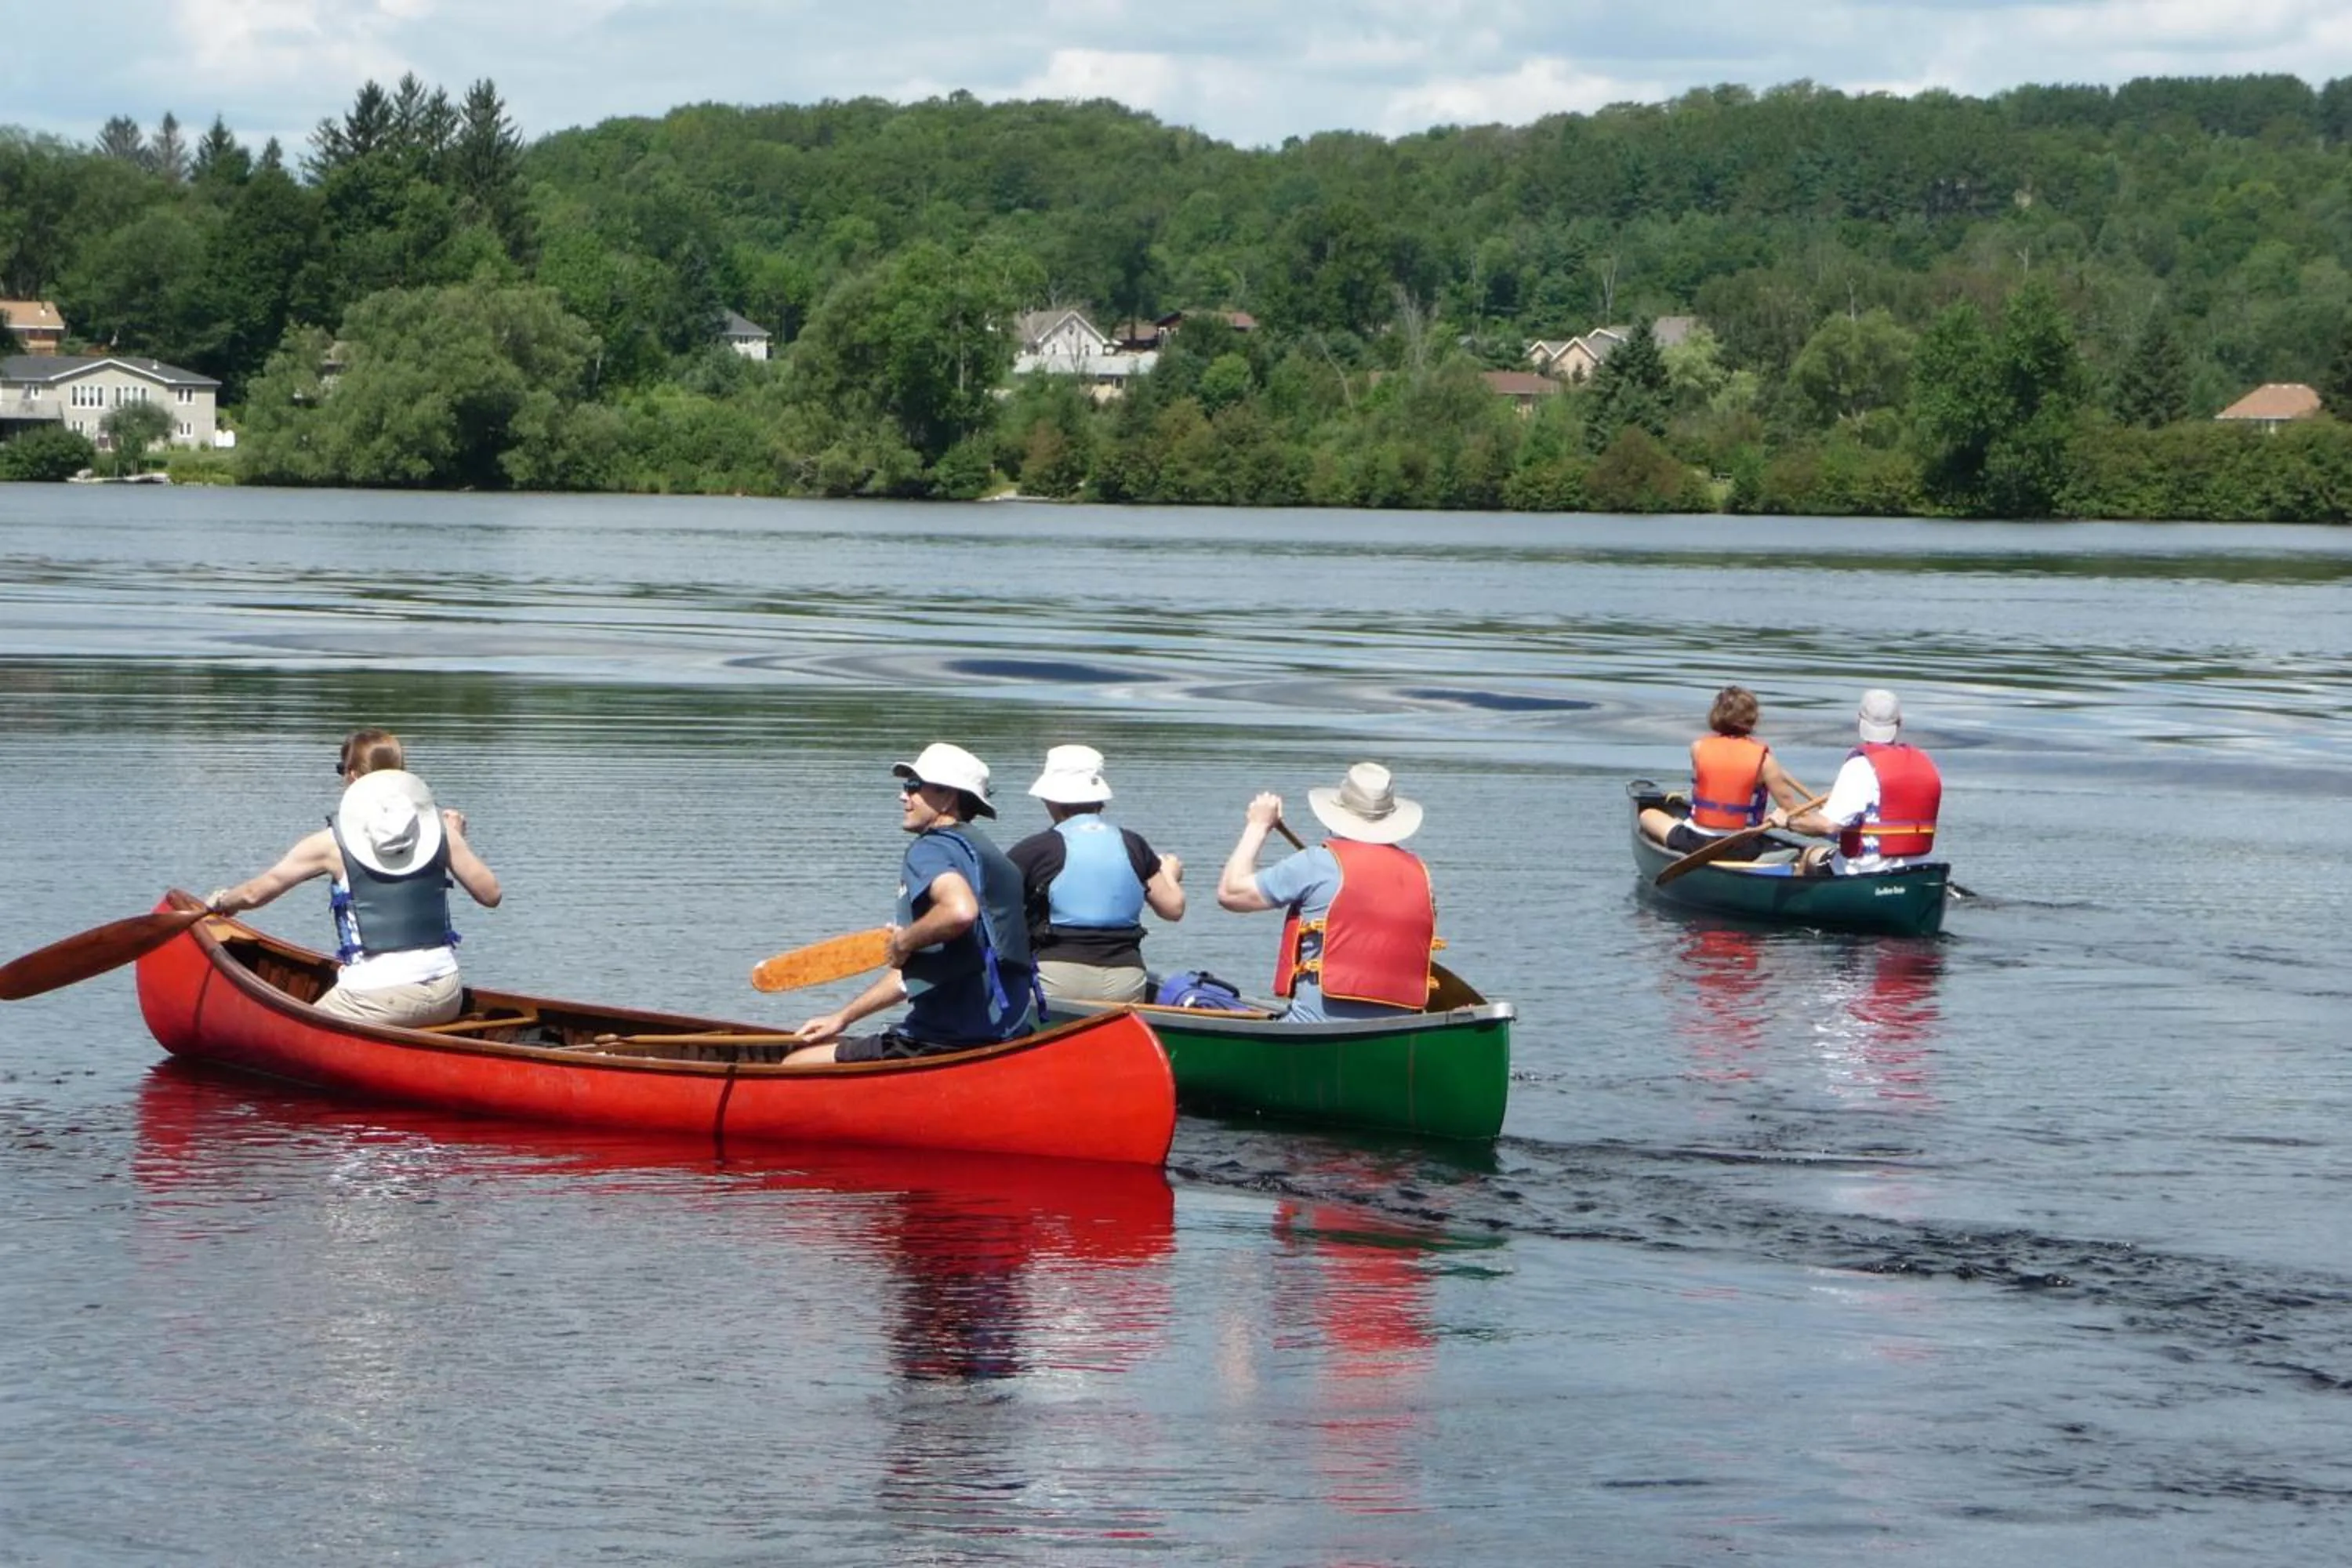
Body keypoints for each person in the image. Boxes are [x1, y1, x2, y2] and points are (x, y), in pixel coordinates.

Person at [204, 728, 502, 1027]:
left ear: (354, 776)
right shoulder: (440, 831)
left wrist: (222, 901)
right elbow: (491, 895)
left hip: (379, 999)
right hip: (446, 995)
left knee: (287, 1030)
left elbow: (256, 893)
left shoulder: (330, 844)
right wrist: (455, 840)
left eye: (341, 770)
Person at [790, 742, 1038, 1062]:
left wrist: (904, 940)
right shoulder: (993, 859)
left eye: (914, 786)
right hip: (1005, 1033)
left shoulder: (930, 850)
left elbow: (959, 911)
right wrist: (843, 1017)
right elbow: (922, 973)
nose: (903, 796)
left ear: (948, 796)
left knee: (795, 1062)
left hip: (943, 1039)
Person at [1215, 762, 1438, 1022]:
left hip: (1312, 1025)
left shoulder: (1315, 863)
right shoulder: (1421, 876)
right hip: (1401, 1030)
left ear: (1339, 812)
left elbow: (1230, 893)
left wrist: (1258, 826)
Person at [1007, 745, 1185, 1006]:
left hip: (1056, 977)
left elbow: (993, 909)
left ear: (1050, 799)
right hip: (1126, 978)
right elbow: (1173, 909)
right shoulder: (1134, 844)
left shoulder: (1035, 849)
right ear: (1099, 799)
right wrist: (1169, 874)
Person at [1772, 688, 1944, 876]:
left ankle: (1801, 904)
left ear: (1859, 720)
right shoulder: (1925, 762)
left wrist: (1788, 821)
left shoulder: (1860, 766)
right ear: (1899, 722)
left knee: (1809, 855)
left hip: (1866, 870)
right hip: (1919, 868)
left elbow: (1827, 826)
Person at [1639, 684, 1813, 854]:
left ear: (1715, 715)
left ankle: (1681, 832)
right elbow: (1792, 811)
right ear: (1754, 718)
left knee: (1647, 814)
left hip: (1696, 842)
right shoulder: (1766, 762)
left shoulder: (1698, 748)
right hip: (1745, 847)